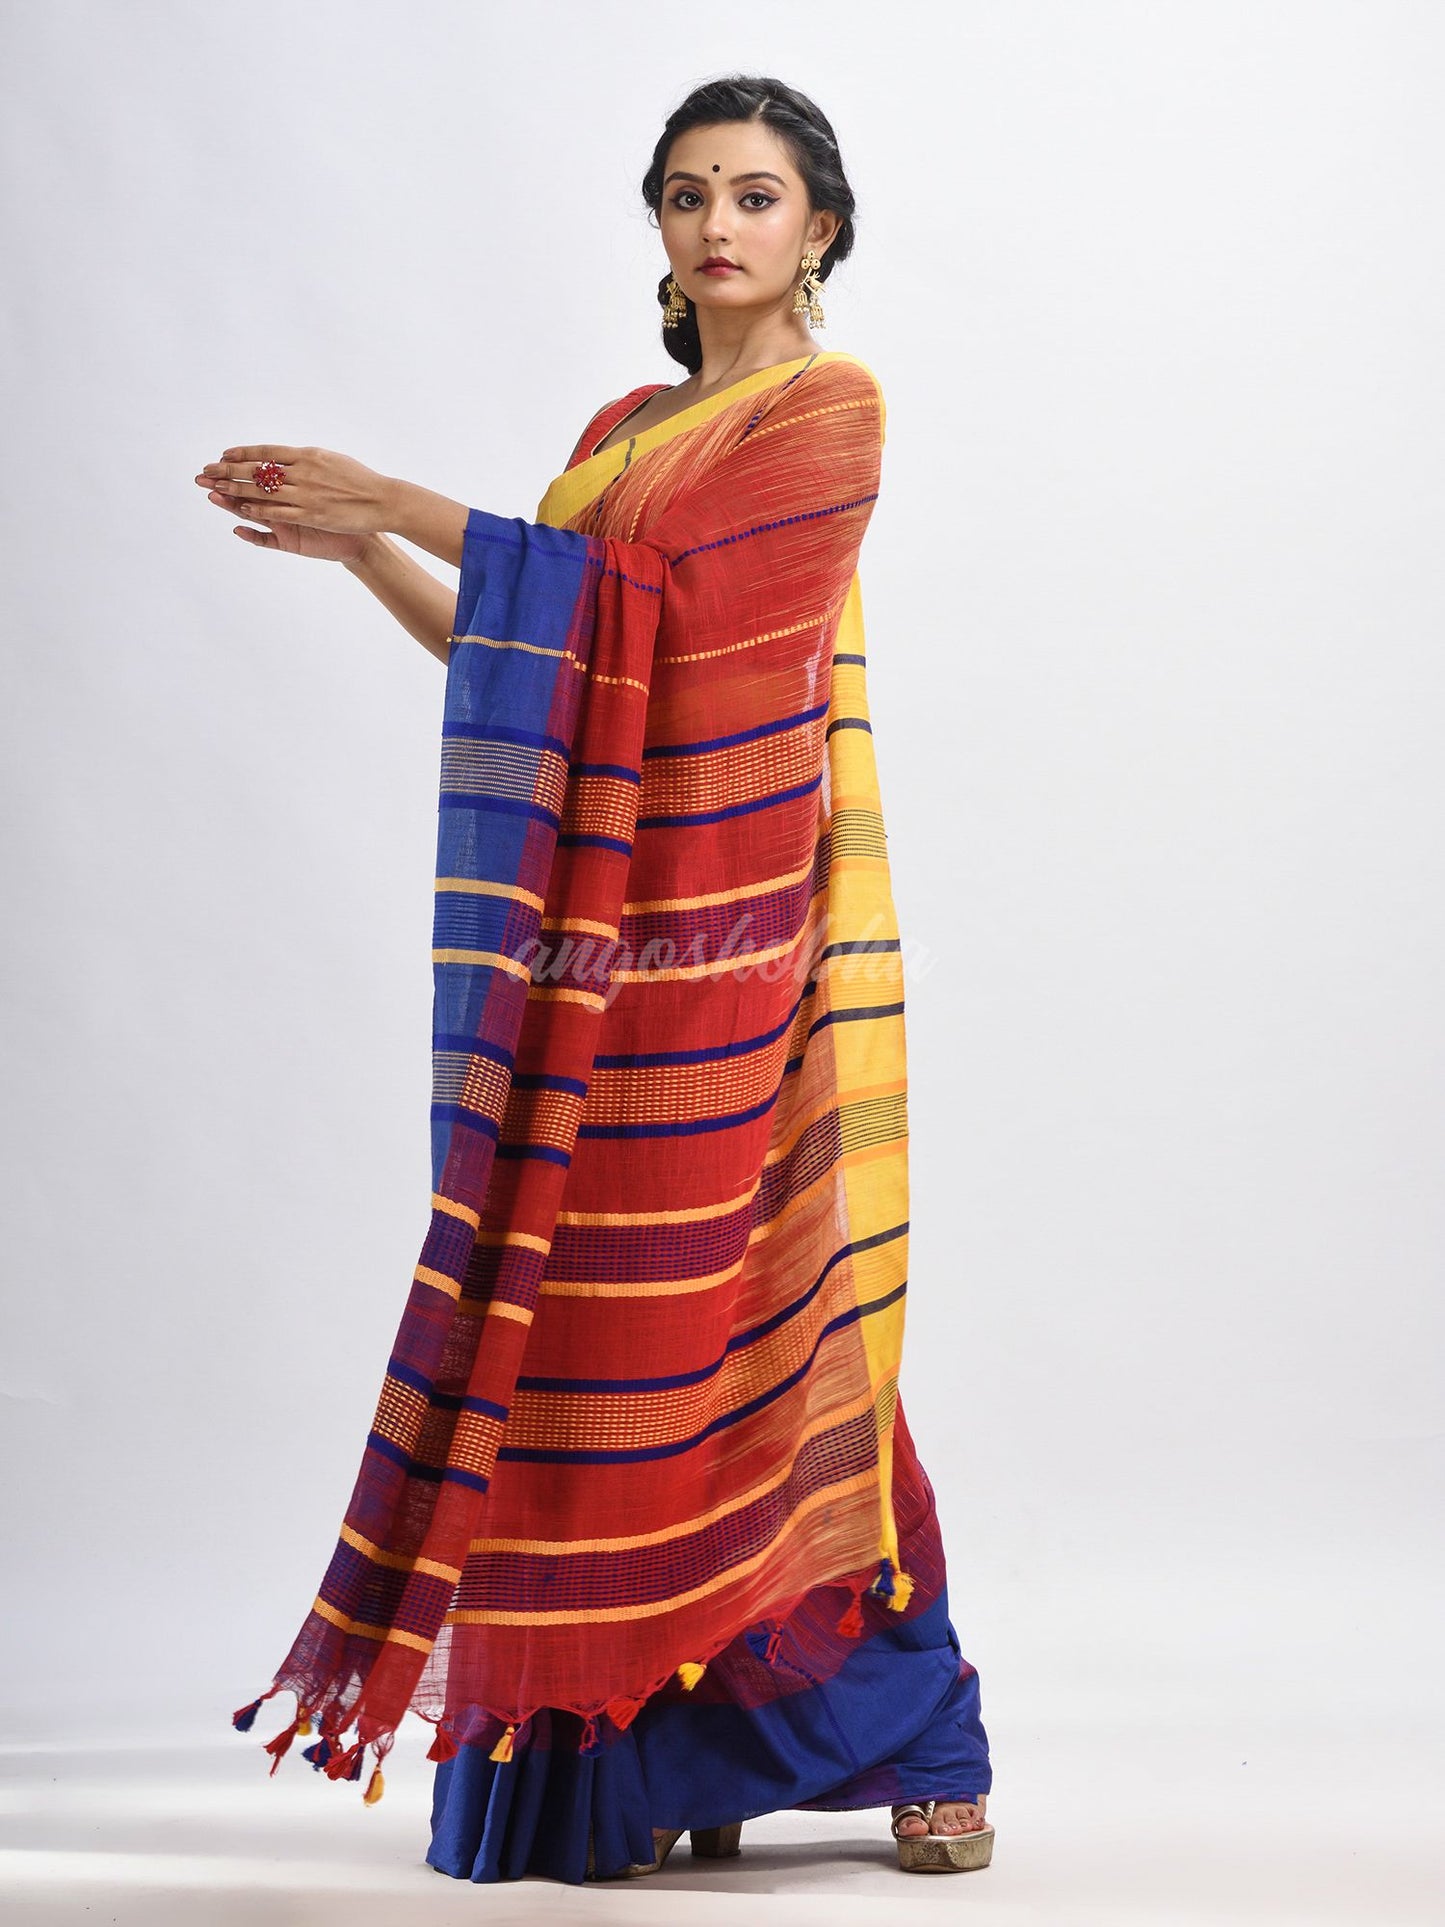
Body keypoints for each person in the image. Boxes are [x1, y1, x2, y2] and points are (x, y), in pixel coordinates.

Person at [202, 74, 994, 1886]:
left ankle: (916, 1726)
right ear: (657, 223)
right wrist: (370, 548)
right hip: (593, 966)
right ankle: (645, 1753)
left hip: (725, 953)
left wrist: (417, 499)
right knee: (593, 1350)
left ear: (820, 227)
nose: (719, 224)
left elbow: (684, 645)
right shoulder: (622, 432)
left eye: (756, 194)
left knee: (769, 1315)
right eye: (688, 194)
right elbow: (552, 672)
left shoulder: (828, 412)